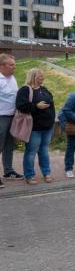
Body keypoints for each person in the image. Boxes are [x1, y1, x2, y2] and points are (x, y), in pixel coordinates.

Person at [15, 68, 55, 184]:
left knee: (44, 151)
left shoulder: (44, 89)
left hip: (47, 127)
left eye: (43, 76)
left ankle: (46, 173)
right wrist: (36, 106)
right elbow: (21, 106)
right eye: (40, 76)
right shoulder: (25, 90)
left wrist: (51, 119)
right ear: (33, 76)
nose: (42, 78)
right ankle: (29, 175)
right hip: (34, 128)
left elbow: (51, 104)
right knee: (31, 152)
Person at [0, 54, 24, 187]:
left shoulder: (12, 78)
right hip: (1, 117)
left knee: (9, 146)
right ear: (1, 66)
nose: (14, 67)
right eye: (11, 65)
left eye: (14, 64)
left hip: (12, 116)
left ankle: (8, 171)